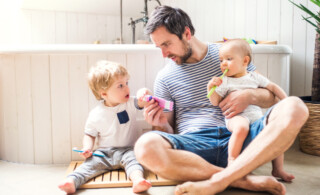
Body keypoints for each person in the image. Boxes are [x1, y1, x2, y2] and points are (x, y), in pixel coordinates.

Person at [133, 5, 309, 195]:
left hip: (244, 137)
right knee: (145, 146)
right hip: (196, 145)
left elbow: (271, 96)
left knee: (295, 106)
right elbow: (169, 130)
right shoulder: (164, 77)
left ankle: (219, 180)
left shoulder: (228, 54)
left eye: (166, 44)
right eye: (159, 47)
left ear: (186, 33)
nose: (164, 54)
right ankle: (242, 181)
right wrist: (159, 124)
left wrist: (249, 95)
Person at [58, 61, 152, 194]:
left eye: (127, 83)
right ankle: (72, 181)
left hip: (128, 150)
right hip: (104, 153)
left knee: (134, 163)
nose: (126, 88)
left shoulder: (130, 103)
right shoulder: (96, 114)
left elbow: (144, 100)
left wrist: (144, 92)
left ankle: (138, 180)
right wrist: (87, 148)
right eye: (120, 85)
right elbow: (89, 135)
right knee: (89, 165)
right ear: (104, 94)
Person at [208, 39, 294, 182]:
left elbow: (273, 87)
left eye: (229, 59)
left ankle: (278, 169)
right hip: (235, 117)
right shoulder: (225, 81)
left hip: (256, 117)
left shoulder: (254, 77)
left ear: (245, 61)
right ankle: (232, 160)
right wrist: (211, 88)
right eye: (221, 60)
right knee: (241, 127)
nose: (223, 63)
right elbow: (215, 101)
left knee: (277, 131)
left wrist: (287, 101)